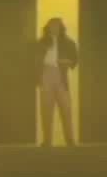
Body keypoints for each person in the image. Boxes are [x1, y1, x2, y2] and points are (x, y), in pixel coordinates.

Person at [33, 18, 78, 147]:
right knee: (46, 110)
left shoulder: (68, 42)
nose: (54, 28)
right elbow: (33, 60)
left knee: (66, 108)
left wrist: (67, 62)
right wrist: (38, 76)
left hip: (61, 76)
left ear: (61, 27)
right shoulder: (41, 42)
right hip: (45, 75)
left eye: (57, 26)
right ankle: (47, 140)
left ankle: (70, 139)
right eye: (52, 26)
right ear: (48, 27)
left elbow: (75, 59)